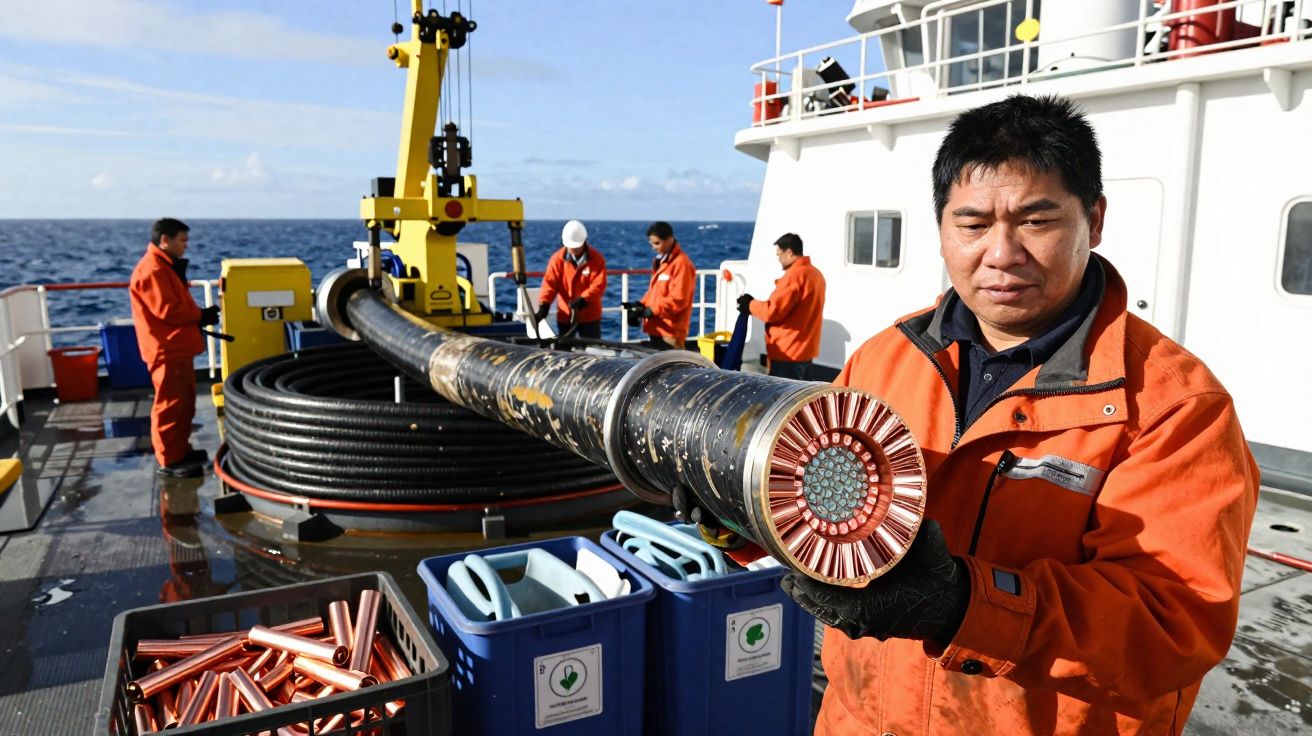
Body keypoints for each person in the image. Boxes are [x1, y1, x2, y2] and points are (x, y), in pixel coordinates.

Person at [775, 95, 1260, 735]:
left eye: (1036, 220)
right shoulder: (882, 359)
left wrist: (960, 607)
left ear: (1095, 219)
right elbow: (808, 496)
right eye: (973, 224)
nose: (1001, 253)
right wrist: (736, 510)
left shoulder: (1175, 408)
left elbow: (1173, 623)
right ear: (942, 228)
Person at [130, 218, 219, 478]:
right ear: (165, 240)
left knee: (183, 403)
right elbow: (168, 310)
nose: (185, 246)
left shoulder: (164, 267)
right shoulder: (153, 270)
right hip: (166, 349)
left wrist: (198, 315)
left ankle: (180, 451)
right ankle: (169, 460)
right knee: (169, 405)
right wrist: (200, 315)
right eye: (182, 240)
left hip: (175, 347)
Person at [737, 232, 826, 379]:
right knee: (801, 391)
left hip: (788, 352)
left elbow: (772, 311)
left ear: (789, 252)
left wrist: (749, 304)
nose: (778, 259)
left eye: (779, 254)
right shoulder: (816, 274)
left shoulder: (794, 276)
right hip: (806, 351)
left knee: (785, 392)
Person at [623, 221, 695, 349]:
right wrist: (639, 306)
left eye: (657, 243)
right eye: (651, 244)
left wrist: (651, 311)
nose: (653, 247)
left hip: (671, 331)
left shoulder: (681, 264)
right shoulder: (662, 262)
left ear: (669, 239)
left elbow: (679, 300)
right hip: (657, 329)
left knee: (673, 361)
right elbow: (655, 292)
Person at [535, 220, 608, 340]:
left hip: (589, 317)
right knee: (564, 348)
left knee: (593, 347)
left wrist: (584, 299)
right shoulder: (557, 260)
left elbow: (598, 285)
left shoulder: (597, 259)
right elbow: (550, 283)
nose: (573, 249)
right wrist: (545, 304)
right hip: (565, 316)